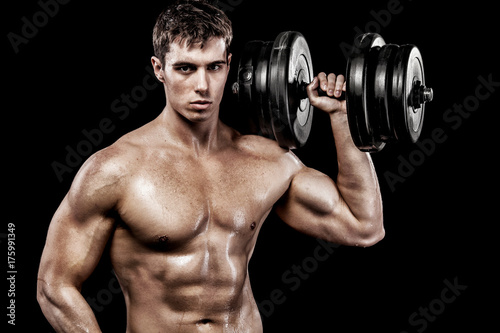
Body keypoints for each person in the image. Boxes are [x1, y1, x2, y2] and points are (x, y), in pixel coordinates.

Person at [37, 0, 384, 331]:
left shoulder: (266, 160)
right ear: (159, 69)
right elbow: (54, 286)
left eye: (214, 67)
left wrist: (342, 117)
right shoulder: (116, 169)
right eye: (185, 68)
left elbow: (363, 226)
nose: (202, 86)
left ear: (229, 65)